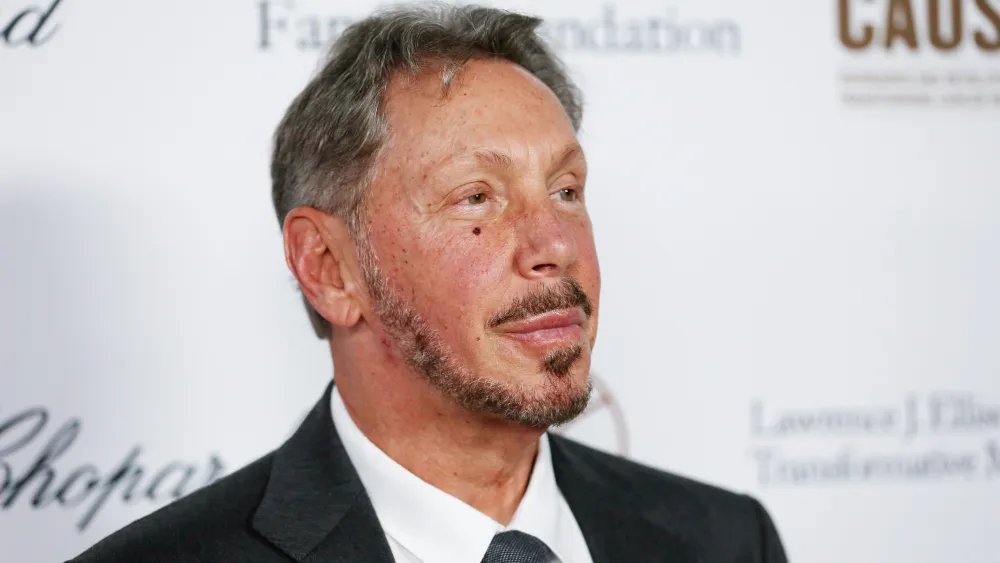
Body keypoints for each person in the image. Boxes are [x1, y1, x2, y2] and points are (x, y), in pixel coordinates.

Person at [71, 4, 787, 562]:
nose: (555, 246)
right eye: (477, 197)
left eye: (566, 190)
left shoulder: (726, 540)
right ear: (329, 267)